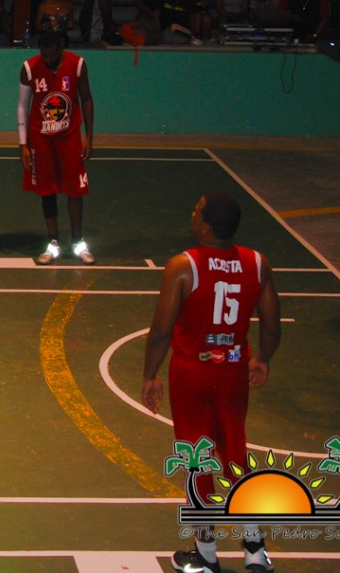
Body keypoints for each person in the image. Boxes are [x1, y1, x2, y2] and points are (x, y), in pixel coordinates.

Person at [141, 192, 281, 573]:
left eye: (197, 209)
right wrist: (262, 359)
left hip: (192, 373)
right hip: (233, 371)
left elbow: (161, 331)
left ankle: (205, 553)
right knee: (235, 453)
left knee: (197, 459)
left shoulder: (182, 266)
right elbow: (272, 324)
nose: (192, 212)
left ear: (205, 226)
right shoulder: (257, 263)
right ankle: (256, 551)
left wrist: (150, 375)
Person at [18, 31, 96, 265]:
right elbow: (22, 106)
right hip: (40, 138)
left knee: (75, 190)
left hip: (69, 136)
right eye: (44, 53)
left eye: (52, 53)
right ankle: (53, 242)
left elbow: (87, 99)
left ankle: (78, 241)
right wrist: (23, 144)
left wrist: (89, 137)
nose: (48, 57)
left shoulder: (77, 64)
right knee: (47, 190)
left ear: (61, 48)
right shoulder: (29, 68)